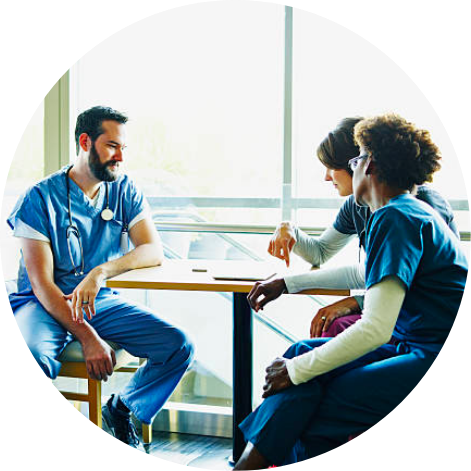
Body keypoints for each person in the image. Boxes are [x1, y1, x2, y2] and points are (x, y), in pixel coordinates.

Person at [234, 114, 467, 469]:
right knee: (299, 355)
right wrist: (287, 283)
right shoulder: (397, 212)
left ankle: (246, 466)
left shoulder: (398, 218)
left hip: (430, 351)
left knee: (306, 402)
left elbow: (375, 328)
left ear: (369, 164)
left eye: (355, 159)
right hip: (410, 343)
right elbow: (373, 274)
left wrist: (296, 372)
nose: (347, 168)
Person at [8, 106, 194, 451]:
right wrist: (87, 336)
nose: (120, 157)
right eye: (112, 146)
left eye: (123, 148)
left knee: (177, 345)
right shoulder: (39, 198)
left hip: (98, 300)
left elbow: (152, 249)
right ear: (85, 142)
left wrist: (100, 271)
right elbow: (42, 285)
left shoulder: (124, 191)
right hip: (42, 303)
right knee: (33, 353)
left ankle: (121, 410)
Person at [268, 116, 458, 339]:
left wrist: (355, 302)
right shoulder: (357, 205)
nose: (326, 177)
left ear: (362, 163)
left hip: (425, 319)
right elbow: (320, 253)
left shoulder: (418, 204)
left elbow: (417, 283)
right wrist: (289, 229)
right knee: (324, 333)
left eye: (331, 167)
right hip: (396, 312)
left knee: (330, 330)